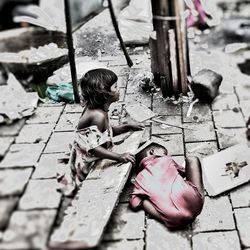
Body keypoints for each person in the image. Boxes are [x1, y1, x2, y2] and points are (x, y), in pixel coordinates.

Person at [58, 68, 144, 195]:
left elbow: (106, 133)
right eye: (115, 87)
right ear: (104, 94)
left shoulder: (100, 110)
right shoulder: (98, 116)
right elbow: (93, 148)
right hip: (87, 163)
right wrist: (119, 157)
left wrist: (128, 127)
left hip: (94, 150)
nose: (119, 89)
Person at [130, 140, 204, 229]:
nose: (167, 155)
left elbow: (134, 204)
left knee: (143, 200)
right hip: (195, 202)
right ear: (153, 152)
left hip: (173, 218)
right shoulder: (166, 159)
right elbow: (184, 172)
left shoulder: (139, 179)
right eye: (165, 153)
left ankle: (166, 214)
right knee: (192, 159)